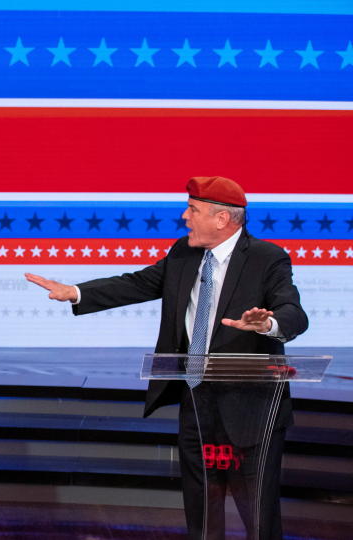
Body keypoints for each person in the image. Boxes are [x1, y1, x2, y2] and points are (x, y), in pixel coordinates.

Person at [26, 176, 307, 540]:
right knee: (202, 505)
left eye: (193, 210)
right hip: (196, 401)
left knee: (256, 512)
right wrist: (76, 292)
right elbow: (138, 283)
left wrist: (267, 323)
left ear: (222, 219)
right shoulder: (184, 253)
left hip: (251, 409)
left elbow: (293, 313)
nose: (184, 216)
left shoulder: (267, 258)